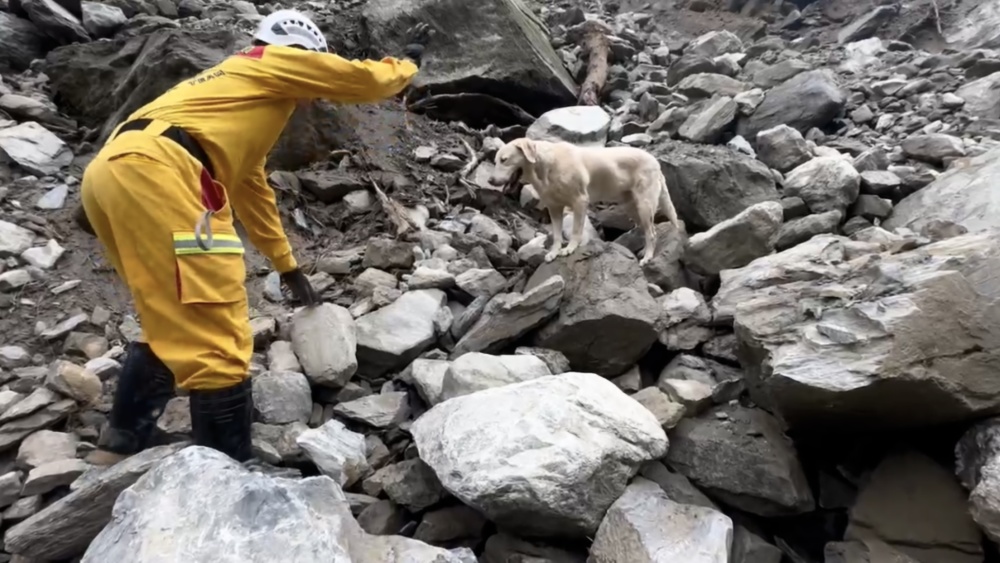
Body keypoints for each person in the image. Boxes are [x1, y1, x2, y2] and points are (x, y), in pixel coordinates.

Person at [78, 9, 431, 466]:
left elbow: (252, 191)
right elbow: (362, 80)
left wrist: (287, 265)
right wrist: (405, 65)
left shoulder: (232, 101)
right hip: (165, 172)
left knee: (170, 316)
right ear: (302, 54)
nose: (311, 97)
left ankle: (119, 445)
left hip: (112, 172)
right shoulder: (270, 59)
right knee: (220, 332)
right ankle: (225, 478)